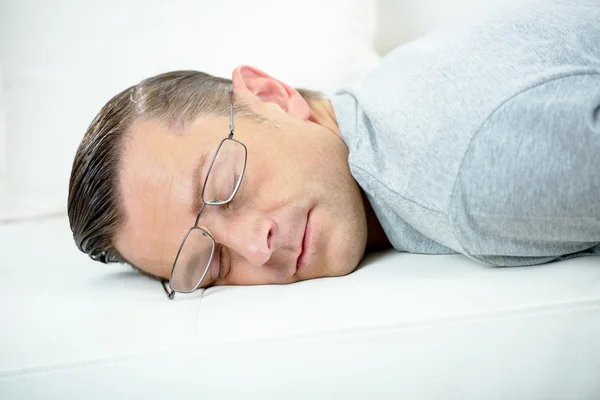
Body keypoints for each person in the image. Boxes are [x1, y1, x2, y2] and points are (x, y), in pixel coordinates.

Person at [68, 0, 600, 298]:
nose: (257, 249)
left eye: (223, 187)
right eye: (211, 262)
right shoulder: (391, 89)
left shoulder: (471, 178)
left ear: (272, 95)